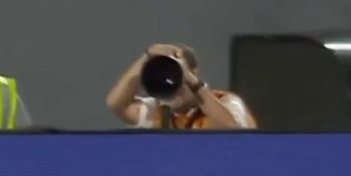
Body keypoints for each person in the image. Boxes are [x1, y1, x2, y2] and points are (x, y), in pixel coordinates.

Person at [106, 43, 256, 129]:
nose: (172, 80)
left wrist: (193, 83)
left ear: (193, 72)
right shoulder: (157, 111)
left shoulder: (226, 101)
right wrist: (147, 58)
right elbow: (116, 104)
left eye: (177, 72)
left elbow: (234, 132)